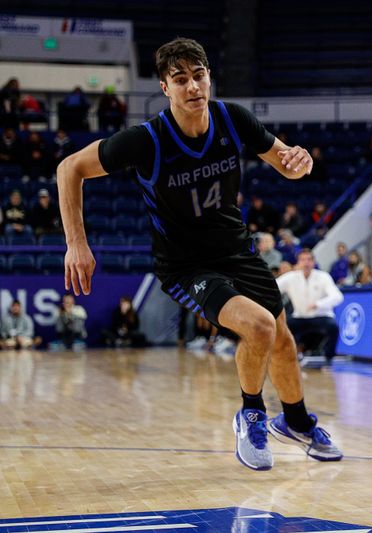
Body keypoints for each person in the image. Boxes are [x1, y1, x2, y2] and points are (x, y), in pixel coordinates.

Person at [56, 37, 341, 470]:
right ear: (165, 87)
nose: (192, 87)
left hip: (236, 250)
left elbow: (285, 161)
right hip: (186, 265)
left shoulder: (232, 119)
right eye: (180, 79)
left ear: (210, 78)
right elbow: (68, 168)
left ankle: (297, 421)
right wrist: (77, 242)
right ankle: (250, 414)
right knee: (262, 327)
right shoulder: (146, 140)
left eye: (199, 76)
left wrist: (299, 161)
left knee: (283, 341)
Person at [276, 249, 343, 366]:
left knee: (333, 327)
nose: (306, 263)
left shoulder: (323, 277)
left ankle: (329, 357)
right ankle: (284, 355)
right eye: (303, 260)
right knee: (279, 325)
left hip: (320, 316)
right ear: (298, 262)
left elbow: (337, 297)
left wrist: (319, 304)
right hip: (300, 316)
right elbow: (272, 287)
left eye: (309, 260)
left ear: (313, 262)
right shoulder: (291, 277)